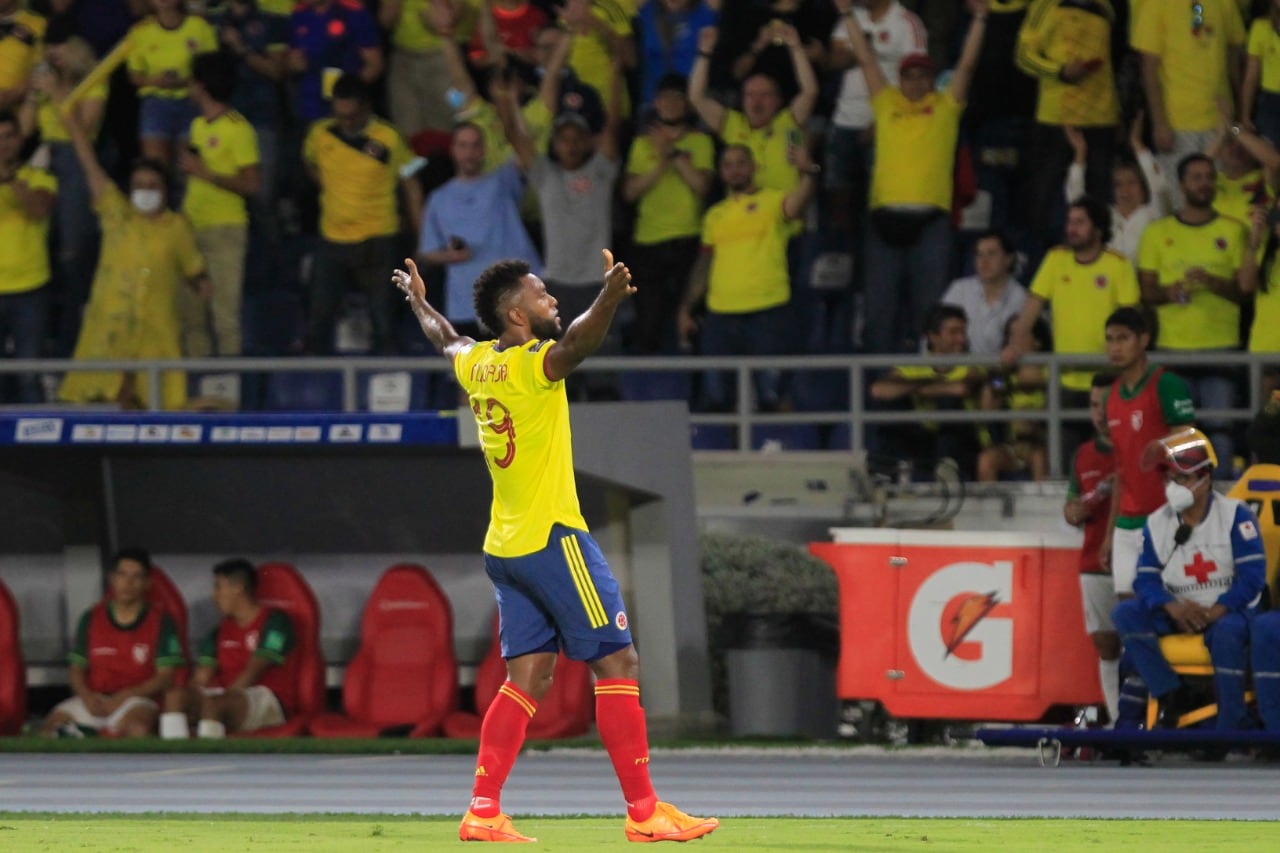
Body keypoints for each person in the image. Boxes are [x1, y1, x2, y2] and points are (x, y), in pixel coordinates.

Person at [392, 252, 719, 843]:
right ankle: (645, 814)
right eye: (542, 296)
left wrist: (418, 299)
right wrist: (612, 295)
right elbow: (576, 346)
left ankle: (483, 811)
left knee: (529, 678)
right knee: (618, 663)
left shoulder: (476, 364)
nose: (553, 301)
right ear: (517, 314)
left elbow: (445, 338)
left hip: (505, 546)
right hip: (552, 536)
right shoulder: (527, 366)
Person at [834, 0, 989, 354]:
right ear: (900, 79)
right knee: (878, 315)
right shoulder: (886, 104)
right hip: (884, 223)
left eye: (923, 76)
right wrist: (845, 15)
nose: (917, 83)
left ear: (932, 80)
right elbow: (866, 59)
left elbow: (966, 65)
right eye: (910, 76)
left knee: (930, 315)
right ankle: (879, 394)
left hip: (930, 223)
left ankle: (930, 393)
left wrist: (980, 18)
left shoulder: (946, 109)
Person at [57, 98, 207, 411]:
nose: (145, 191)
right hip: (111, 332)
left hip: (155, 336)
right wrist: (69, 117)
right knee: (103, 404)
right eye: (139, 185)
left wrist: (201, 289)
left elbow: (195, 274)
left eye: (153, 185)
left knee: (154, 411)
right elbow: (89, 163)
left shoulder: (177, 228)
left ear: (165, 191)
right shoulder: (117, 216)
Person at [1112, 428, 1266, 730]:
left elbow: (1252, 578)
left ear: (1204, 478)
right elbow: (1144, 581)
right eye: (1168, 478)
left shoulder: (1237, 516)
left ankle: (1230, 727)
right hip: (1177, 610)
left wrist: (1216, 611)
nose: (1172, 486)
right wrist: (1172, 607)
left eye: (1180, 478)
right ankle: (1170, 693)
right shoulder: (1157, 522)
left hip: (1226, 612)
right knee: (1125, 613)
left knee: (1228, 634)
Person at [678, 142, 818, 413]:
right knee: (718, 397)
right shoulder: (714, 216)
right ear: (721, 172)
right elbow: (705, 264)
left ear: (754, 167)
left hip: (768, 312)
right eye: (728, 165)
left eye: (741, 163)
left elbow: (798, 202)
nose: (735, 171)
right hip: (721, 314)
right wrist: (686, 308)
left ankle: (778, 450)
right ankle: (727, 454)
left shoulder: (773, 201)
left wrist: (808, 172)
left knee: (772, 394)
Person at [1002, 196, 1139, 455]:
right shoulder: (1056, 259)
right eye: (1069, 221)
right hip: (1063, 380)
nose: (1071, 228)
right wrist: (1014, 346)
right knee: (1066, 460)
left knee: (1112, 458)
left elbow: (1130, 320)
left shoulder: (1117, 265)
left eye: (1079, 222)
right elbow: (1030, 309)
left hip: (1108, 380)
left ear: (1098, 229)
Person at [1137, 153, 1247, 477]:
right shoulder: (1157, 233)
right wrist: (1167, 292)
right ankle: (1182, 500)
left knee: (1221, 431)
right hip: (1173, 352)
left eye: (1209, 177)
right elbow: (1146, 291)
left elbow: (1244, 293)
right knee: (1178, 433)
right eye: (1196, 177)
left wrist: (1212, 282)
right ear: (1182, 184)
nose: (1204, 183)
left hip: (1222, 351)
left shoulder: (1234, 230)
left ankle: (1223, 501)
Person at [302, 74, 423, 355]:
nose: (345, 122)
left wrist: (419, 234)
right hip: (332, 240)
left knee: (384, 323)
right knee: (317, 322)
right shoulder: (319, 134)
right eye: (340, 114)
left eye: (352, 116)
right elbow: (310, 163)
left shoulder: (391, 138)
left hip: (378, 239)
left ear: (366, 107)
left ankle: (389, 386)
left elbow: (412, 183)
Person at [1102, 307, 1196, 599]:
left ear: (1144, 339)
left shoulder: (1166, 385)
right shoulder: (1112, 396)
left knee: (1163, 610)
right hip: (1126, 524)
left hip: (1165, 518)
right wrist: (1109, 535)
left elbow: (1190, 453)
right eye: (1110, 339)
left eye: (1123, 338)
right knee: (1127, 612)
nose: (1115, 347)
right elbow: (1121, 470)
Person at [40, 548, 184, 738]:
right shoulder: (91, 617)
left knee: (138, 728)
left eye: (137, 577)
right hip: (94, 698)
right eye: (122, 575)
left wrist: (125, 696)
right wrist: (87, 697)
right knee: (50, 729)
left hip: (135, 700)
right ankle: (87, 737)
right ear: (112, 579)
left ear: (148, 583)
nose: (128, 583)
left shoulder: (161, 621)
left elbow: (165, 676)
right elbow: (76, 669)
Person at [624, 72, 715, 354]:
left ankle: (697, 392)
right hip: (648, 242)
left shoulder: (701, 142)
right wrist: (660, 161)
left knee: (690, 321)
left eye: (676, 98)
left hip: (688, 239)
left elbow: (702, 187)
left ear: (686, 104)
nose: (669, 104)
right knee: (649, 322)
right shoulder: (641, 144)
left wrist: (673, 153)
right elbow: (629, 192)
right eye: (663, 98)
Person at [179, 50, 261, 358]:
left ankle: (229, 394)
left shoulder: (238, 128)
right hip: (191, 227)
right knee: (192, 317)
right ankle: (198, 393)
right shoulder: (199, 125)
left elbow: (252, 184)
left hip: (225, 230)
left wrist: (207, 174)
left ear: (201, 85)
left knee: (224, 315)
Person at [160, 558, 298, 739]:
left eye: (218, 587)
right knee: (175, 697)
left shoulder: (275, 621)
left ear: (238, 588)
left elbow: (254, 670)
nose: (214, 595)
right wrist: (191, 700)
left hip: (267, 699)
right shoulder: (217, 633)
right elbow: (201, 678)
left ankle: (209, 759)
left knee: (214, 705)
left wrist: (218, 701)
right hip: (224, 696)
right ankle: (175, 757)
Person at [1132, 0, 1246, 193]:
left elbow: (1233, 56)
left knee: (1221, 196)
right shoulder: (1156, 4)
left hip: (1220, 121)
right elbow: (1149, 67)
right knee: (1182, 199)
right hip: (1178, 122)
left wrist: (1240, 115)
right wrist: (1159, 123)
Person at [870, 303, 990, 480]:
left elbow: (960, 388)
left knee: (947, 404)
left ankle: (948, 471)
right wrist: (929, 383)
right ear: (933, 337)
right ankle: (884, 474)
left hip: (966, 442)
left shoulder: (973, 364)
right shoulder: (916, 365)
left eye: (963, 332)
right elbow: (879, 390)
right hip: (925, 439)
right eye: (954, 332)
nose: (961, 339)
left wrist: (915, 388)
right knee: (891, 408)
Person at [1063, 373, 1119, 724]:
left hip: (1137, 561)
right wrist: (1079, 508)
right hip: (1094, 562)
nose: (1099, 413)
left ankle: (1150, 722)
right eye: (1093, 405)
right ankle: (1118, 720)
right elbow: (1070, 510)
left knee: (1142, 640)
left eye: (1106, 405)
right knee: (1105, 642)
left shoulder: (1142, 451)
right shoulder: (1084, 454)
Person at [1063, 113, 1170, 264]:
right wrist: (1080, 152)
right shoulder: (1105, 215)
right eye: (1118, 184)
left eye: (1132, 182)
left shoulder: (1154, 213)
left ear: (1143, 187)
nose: (1125, 190)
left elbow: (1159, 187)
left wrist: (1136, 143)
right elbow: (1076, 200)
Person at [0, 109, 55, 404]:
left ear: (20, 140)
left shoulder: (37, 175)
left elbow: (39, 209)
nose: (3, 145)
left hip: (30, 289)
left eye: (9, 137)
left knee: (29, 375)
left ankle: (39, 447)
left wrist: (11, 181)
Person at [125, 0, 218, 166]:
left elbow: (213, 69)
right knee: (155, 166)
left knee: (188, 169)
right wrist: (157, 81)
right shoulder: (140, 31)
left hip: (192, 102)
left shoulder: (199, 27)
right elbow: (135, 76)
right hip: (155, 104)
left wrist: (186, 81)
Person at [939, 230, 1027, 357]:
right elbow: (936, 332)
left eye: (991, 254)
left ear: (1008, 259)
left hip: (1002, 372)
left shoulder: (1022, 299)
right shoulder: (958, 290)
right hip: (959, 370)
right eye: (979, 255)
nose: (984, 261)